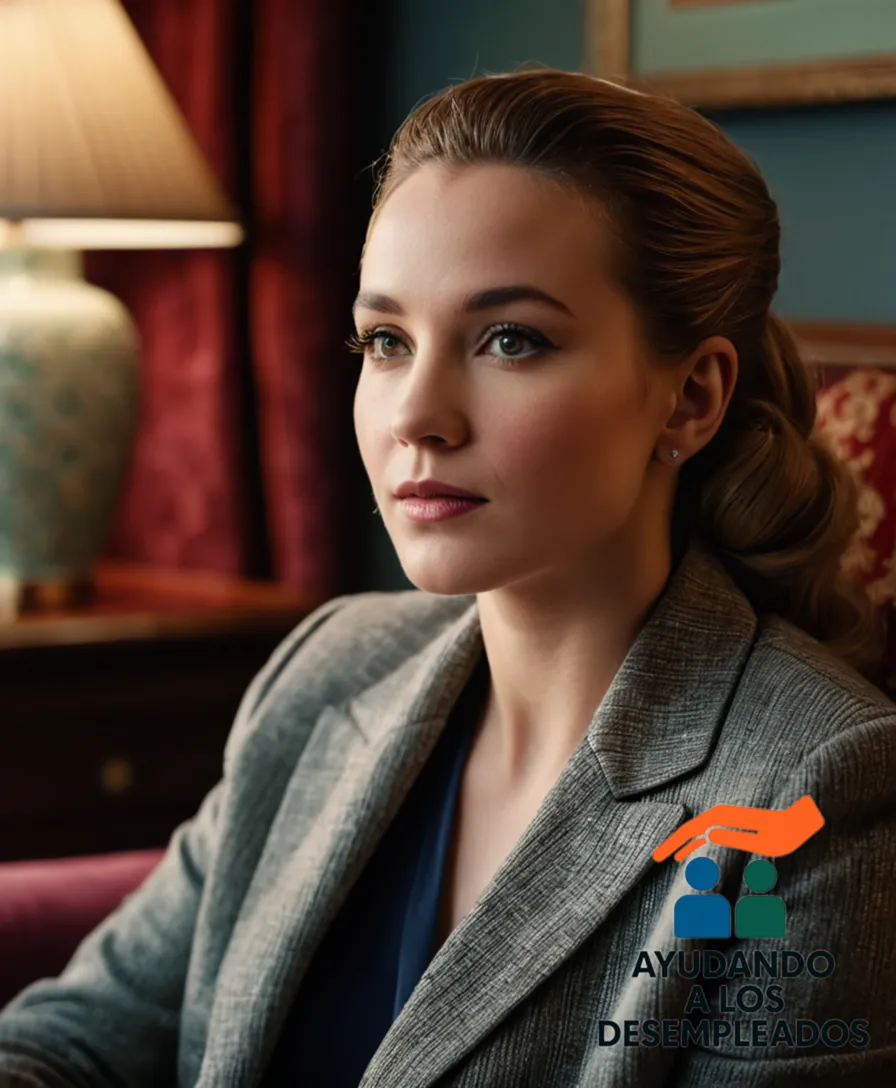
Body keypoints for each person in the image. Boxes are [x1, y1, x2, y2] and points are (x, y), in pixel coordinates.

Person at [0, 65, 895, 1088]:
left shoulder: (815, 788)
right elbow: (70, 1040)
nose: (415, 414)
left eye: (509, 339)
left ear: (688, 397)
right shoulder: (326, 669)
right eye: (385, 340)